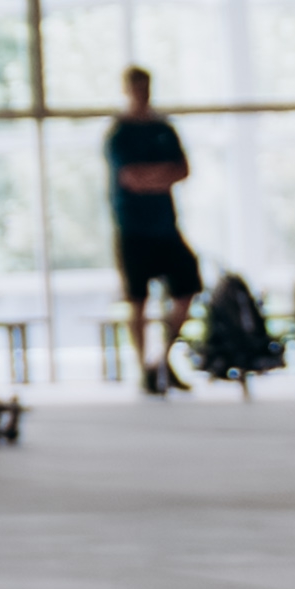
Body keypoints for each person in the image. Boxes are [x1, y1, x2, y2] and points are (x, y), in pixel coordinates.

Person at [102, 67, 198, 395]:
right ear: (127, 90)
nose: (142, 94)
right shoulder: (119, 133)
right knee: (137, 300)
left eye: (146, 87)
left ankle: (162, 360)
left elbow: (182, 169)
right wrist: (161, 175)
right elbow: (131, 178)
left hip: (166, 228)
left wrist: (151, 177)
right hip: (132, 229)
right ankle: (144, 367)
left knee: (187, 288)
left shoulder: (163, 128)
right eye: (137, 88)